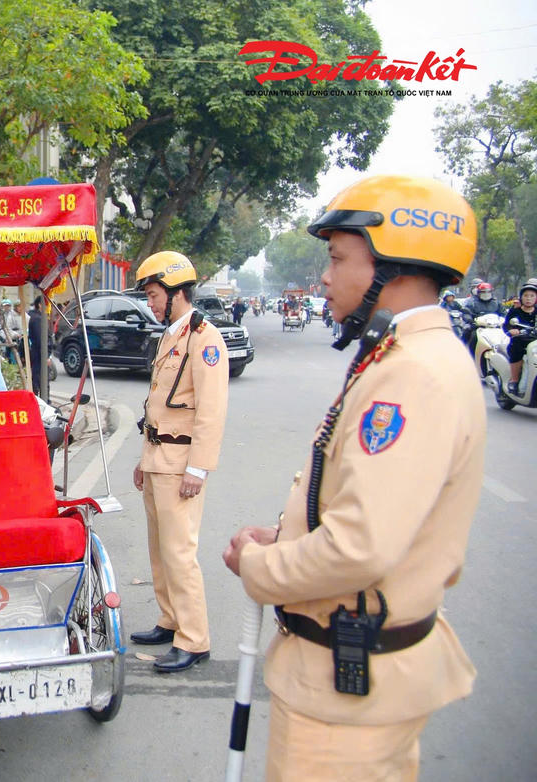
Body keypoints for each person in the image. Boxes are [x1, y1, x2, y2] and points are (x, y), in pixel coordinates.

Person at [222, 175, 484, 781]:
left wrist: (262, 569)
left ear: (391, 268)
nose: (324, 278)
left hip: (344, 696)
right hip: (356, 677)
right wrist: (286, 540)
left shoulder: (412, 372)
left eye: (339, 258)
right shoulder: (409, 355)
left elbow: (359, 545)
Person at [130, 250, 229, 673]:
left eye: (154, 295)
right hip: (157, 457)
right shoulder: (171, 334)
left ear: (177, 292)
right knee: (159, 550)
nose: (150, 303)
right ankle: (170, 620)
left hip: (180, 462)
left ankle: (194, 638)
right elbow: (157, 405)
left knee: (179, 552)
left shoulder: (204, 338)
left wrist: (197, 468)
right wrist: (142, 458)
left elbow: (211, 409)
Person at [503, 278, 537, 393]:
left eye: (532, 296)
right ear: (521, 297)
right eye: (526, 296)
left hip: (535, 342)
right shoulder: (515, 312)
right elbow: (506, 325)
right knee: (516, 348)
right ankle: (514, 380)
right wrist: (512, 331)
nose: (528, 299)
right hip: (521, 342)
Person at [0, 299, 24, 364]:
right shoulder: (1, 315)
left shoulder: (22, 315)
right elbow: (5, 328)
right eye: (5, 306)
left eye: (8, 306)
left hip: (19, 337)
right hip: (6, 336)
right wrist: (6, 337)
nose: (7, 308)